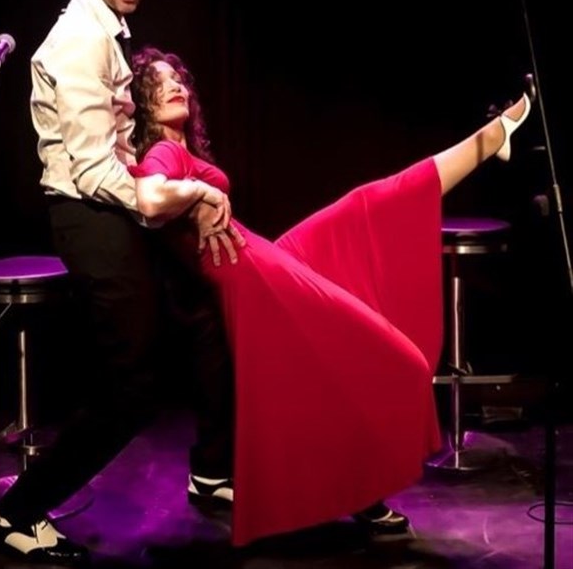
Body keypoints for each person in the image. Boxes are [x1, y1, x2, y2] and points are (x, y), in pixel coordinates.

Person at [128, 45, 536, 548]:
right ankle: (359, 486)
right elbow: (150, 200)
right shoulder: (163, 152)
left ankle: (490, 139)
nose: (175, 86)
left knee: (373, 203)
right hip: (252, 277)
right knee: (378, 356)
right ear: (142, 103)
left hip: (260, 259)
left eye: (178, 79)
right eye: (159, 83)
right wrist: (203, 192)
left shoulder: (182, 149)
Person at [0, 0, 243, 565]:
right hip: (91, 216)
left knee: (204, 317)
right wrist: (180, 198)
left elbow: (117, 151)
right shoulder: (80, 37)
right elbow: (95, 170)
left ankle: (213, 468)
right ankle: (15, 513)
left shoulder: (108, 29)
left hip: (114, 209)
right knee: (132, 386)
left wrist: (173, 200)